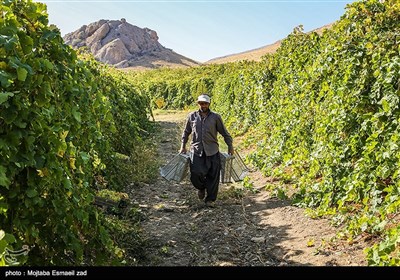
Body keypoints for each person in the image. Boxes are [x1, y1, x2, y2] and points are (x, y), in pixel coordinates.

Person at [179, 94, 234, 207]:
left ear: (209, 104)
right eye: (200, 103)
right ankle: (201, 187)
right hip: (196, 150)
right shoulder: (192, 116)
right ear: (198, 104)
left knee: (213, 176)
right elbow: (186, 132)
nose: (203, 105)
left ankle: (210, 200)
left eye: (205, 103)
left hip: (212, 150)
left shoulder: (215, 117)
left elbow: (224, 133)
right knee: (195, 174)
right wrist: (183, 145)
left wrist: (230, 146)